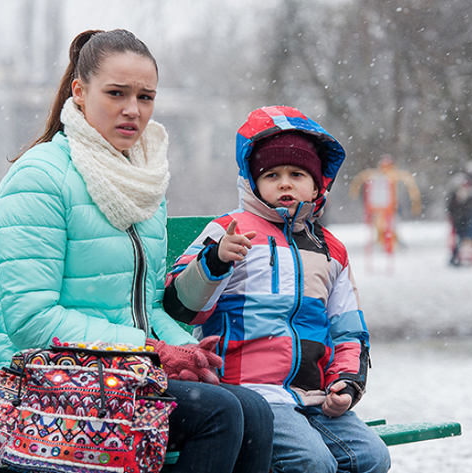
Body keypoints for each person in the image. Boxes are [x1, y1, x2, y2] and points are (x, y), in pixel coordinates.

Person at [0, 29, 273, 473]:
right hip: (51, 386)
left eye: (145, 97)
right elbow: (29, 320)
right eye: (117, 93)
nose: (132, 110)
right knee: (218, 413)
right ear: (80, 93)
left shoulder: (142, 180)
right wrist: (149, 351)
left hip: (121, 375)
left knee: (254, 409)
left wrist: (185, 349)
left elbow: (145, 308)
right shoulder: (40, 178)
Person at [163, 106, 391, 473]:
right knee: (312, 462)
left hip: (314, 397)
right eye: (272, 174)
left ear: (318, 185)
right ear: (254, 183)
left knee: (372, 458)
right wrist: (215, 262)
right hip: (252, 394)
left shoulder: (330, 249)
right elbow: (181, 307)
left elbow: (348, 329)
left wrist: (346, 384)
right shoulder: (230, 230)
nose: (285, 183)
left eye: (297, 174)